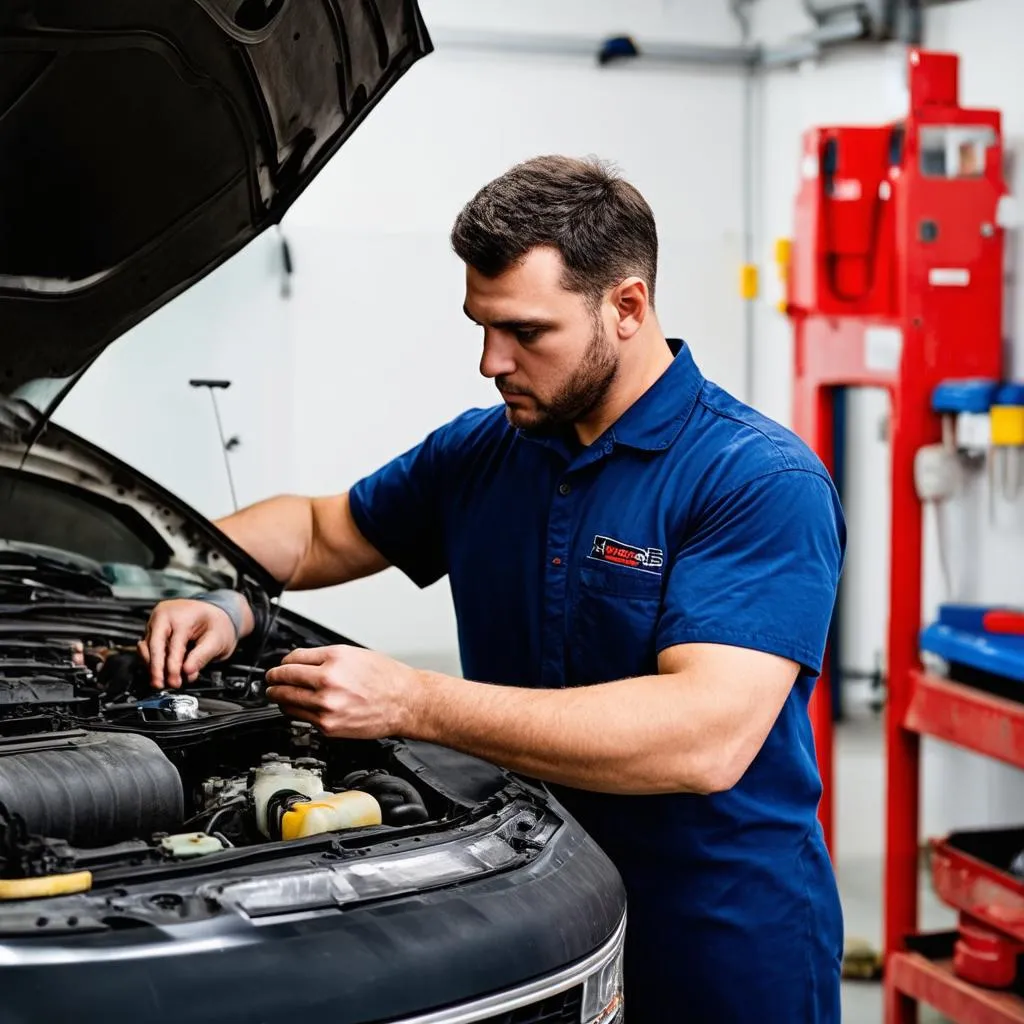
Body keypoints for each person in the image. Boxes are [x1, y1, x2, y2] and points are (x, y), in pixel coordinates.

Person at [140, 155, 846, 1022]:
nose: (489, 361)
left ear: (626, 308)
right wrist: (200, 580)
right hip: (529, 902)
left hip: (716, 939)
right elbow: (322, 530)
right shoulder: (487, 452)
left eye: (525, 332)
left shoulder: (754, 478)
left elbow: (704, 737)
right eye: (480, 326)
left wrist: (415, 701)